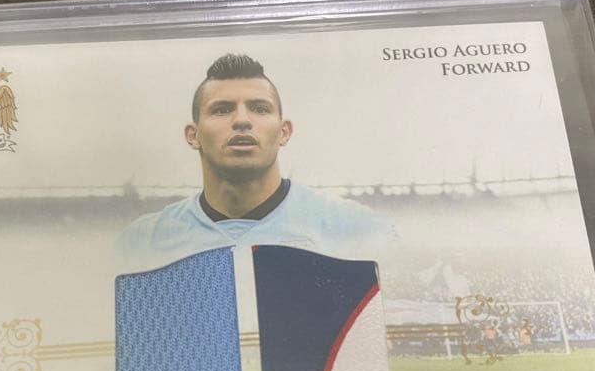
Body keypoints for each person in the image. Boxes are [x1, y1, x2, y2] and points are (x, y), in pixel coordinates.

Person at [115, 52, 391, 273]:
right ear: (193, 135)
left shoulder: (356, 227)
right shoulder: (142, 241)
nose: (242, 120)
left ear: (284, 132)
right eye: (222, 109)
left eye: (260, 109)